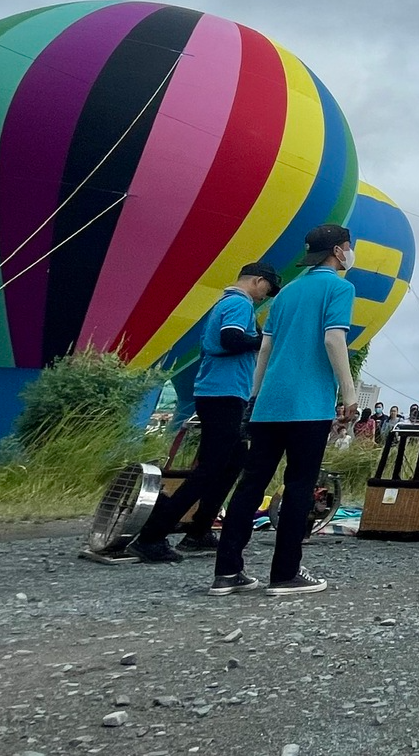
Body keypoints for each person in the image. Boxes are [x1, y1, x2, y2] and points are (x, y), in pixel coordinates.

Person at [213, 226, 361, 595]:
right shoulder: (340, 288)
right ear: (340, 251)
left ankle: (227, 571)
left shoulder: (288, 292)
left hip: (269, 405)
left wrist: (255, 396)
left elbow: (264, 349)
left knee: (250, 486)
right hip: (308, 405)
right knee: (299, 486)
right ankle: (285, 573)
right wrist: (349, 393)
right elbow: (333, 337)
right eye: (348, 248)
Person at [130, 262, 281, 562]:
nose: (268, 296)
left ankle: (200, 529)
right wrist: (265, 340)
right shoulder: (240, 303)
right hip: (222, 394)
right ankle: (153, 534)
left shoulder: (226, 303)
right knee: (210, 468)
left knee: (233, 461)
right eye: (268, 289)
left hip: (222, 393)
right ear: (258, 281)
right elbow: (231, 339)